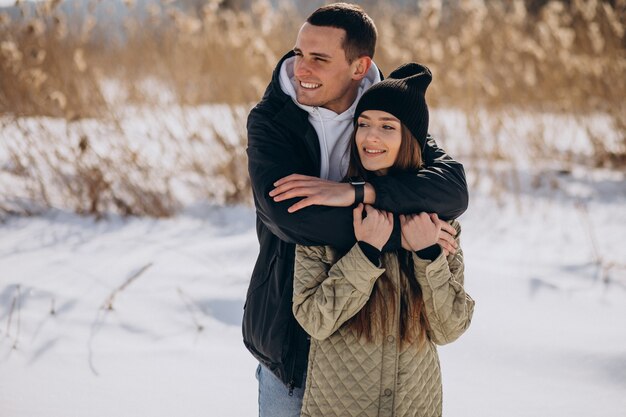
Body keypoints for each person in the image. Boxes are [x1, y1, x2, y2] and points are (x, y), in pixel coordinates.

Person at [243, 3, 468, 416]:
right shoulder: (272, 119)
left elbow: (451, 190)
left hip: (390, 361)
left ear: (359, 66)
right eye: (298, 54)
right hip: (289, 332)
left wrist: (356, 192)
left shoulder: (388, 111)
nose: (301, 69)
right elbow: (291, 216)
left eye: (319, 59)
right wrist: (399, 235)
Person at [292, 63, 475, 417]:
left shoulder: (437, 220)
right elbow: (314, 319)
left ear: (410, 138)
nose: (370, 138)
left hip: (415, 406)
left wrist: (427, 254)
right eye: (363, 125)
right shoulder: (327, 215)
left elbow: (449, 327)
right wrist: (365, 252)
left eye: (387, 127)